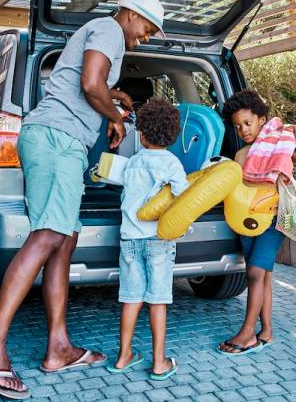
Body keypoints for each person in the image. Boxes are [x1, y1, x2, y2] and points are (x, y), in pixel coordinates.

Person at [0, 0, 166, 399]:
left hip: (58, 142)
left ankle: (58, 347)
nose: (143, 39)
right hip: (58, 140)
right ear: (130, 14)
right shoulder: (107, 28)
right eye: (145, 30)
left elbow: (94, 83)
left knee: (63, 242)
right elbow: (90, 83)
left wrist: (118, 100)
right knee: (49, 236)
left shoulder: (104, 34)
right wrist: (115, 118)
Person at [217, 89, 296, 355]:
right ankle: (266, 333)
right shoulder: (242, 155)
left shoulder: (278, 146)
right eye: (237, 126)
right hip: (247, 221)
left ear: (261, 119)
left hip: (273, 218)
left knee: (255, 273)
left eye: (247, 123)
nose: (243, 130)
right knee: (263, 276)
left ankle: (247, 334)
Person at [105, 98, 188, 381]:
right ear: (173, 136)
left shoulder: (133, 162)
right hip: (158, 241)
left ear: (141, 134)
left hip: (129, 239)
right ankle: (159, 362)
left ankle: (123, 355)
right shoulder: (172, 163)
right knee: (158, 300)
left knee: (130, 298)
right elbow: (184, 198)